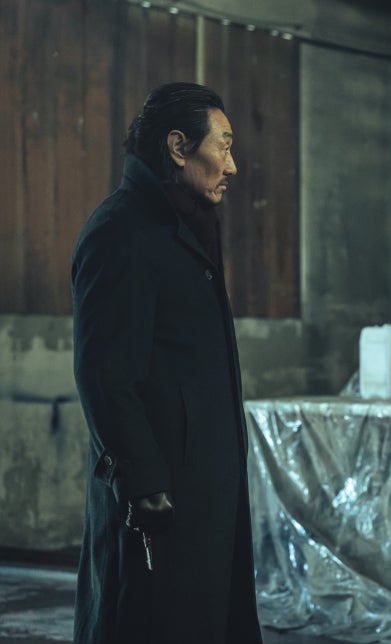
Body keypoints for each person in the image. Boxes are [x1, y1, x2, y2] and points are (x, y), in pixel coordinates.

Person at [71, 83, 263, 643]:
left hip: (200, 493)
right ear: (179, 148)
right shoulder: (121, 231)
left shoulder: (183, 229)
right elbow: (105, 374)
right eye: (223, 145)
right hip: (159, 503)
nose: (232, 165)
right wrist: (144, 483)